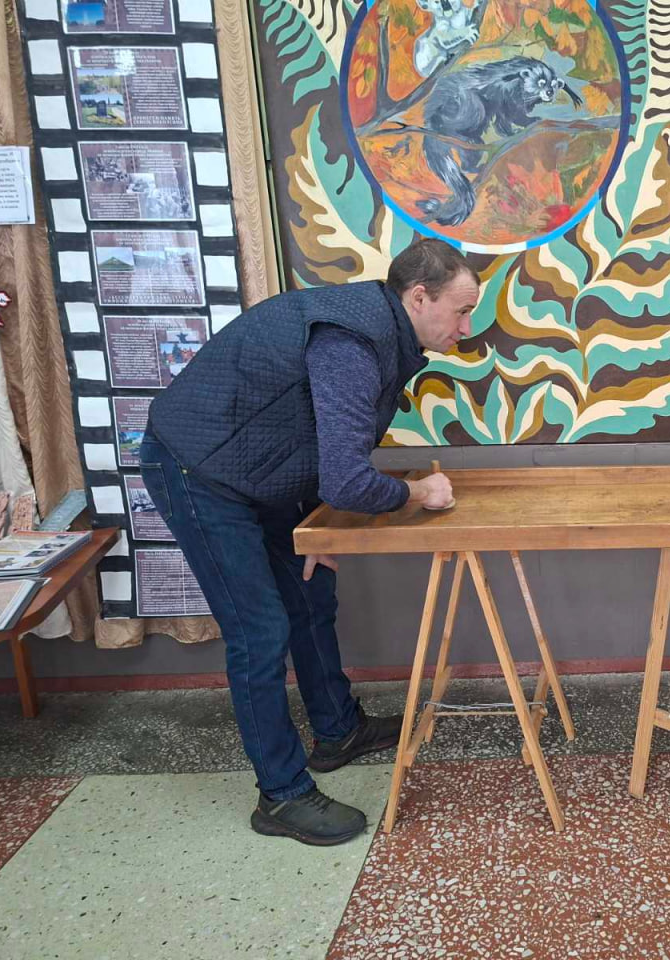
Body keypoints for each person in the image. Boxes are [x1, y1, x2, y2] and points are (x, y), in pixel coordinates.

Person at [139, 238, 477, 845]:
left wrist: (316, 522)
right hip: (199, 470)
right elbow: (346, 477)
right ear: (418, 298)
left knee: (310, 588)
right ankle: (281, 794)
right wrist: (416, 493)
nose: (466, 327)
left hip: (257, 465)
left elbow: (312, 438)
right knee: (259, 630)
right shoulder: (353, 339)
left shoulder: (377, 329)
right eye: (461, 311)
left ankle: (338, 730)